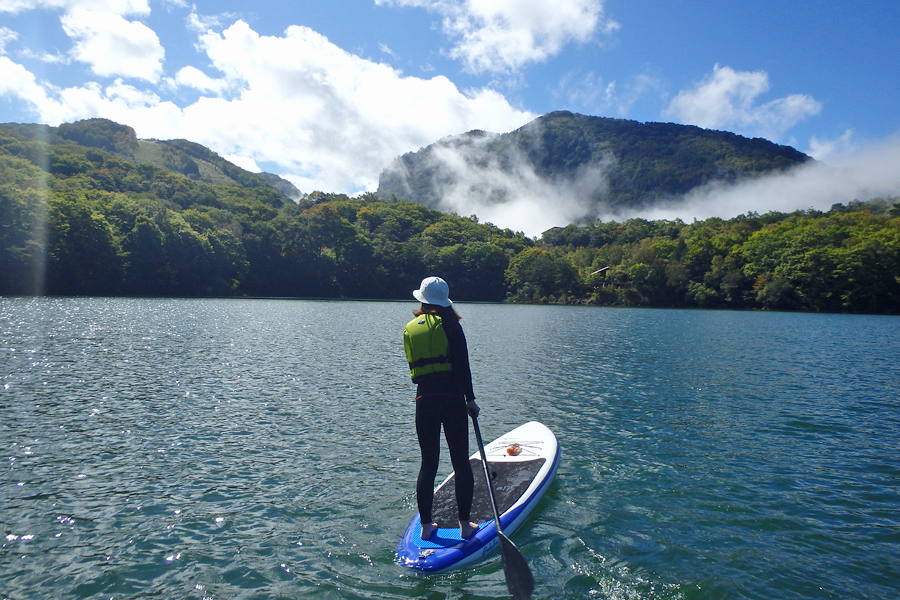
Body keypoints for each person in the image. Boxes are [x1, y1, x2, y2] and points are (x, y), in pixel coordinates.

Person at [403, 276, 480, 540]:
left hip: (424, 400)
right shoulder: (452, 326)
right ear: (445, 301)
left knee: (428, 464)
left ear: (422, 300)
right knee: (461, 463)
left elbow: (415, 374)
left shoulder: (411, 328)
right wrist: (470, 399)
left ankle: (426, 527)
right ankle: (465, 525)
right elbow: (462, 367)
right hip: (451, 399)